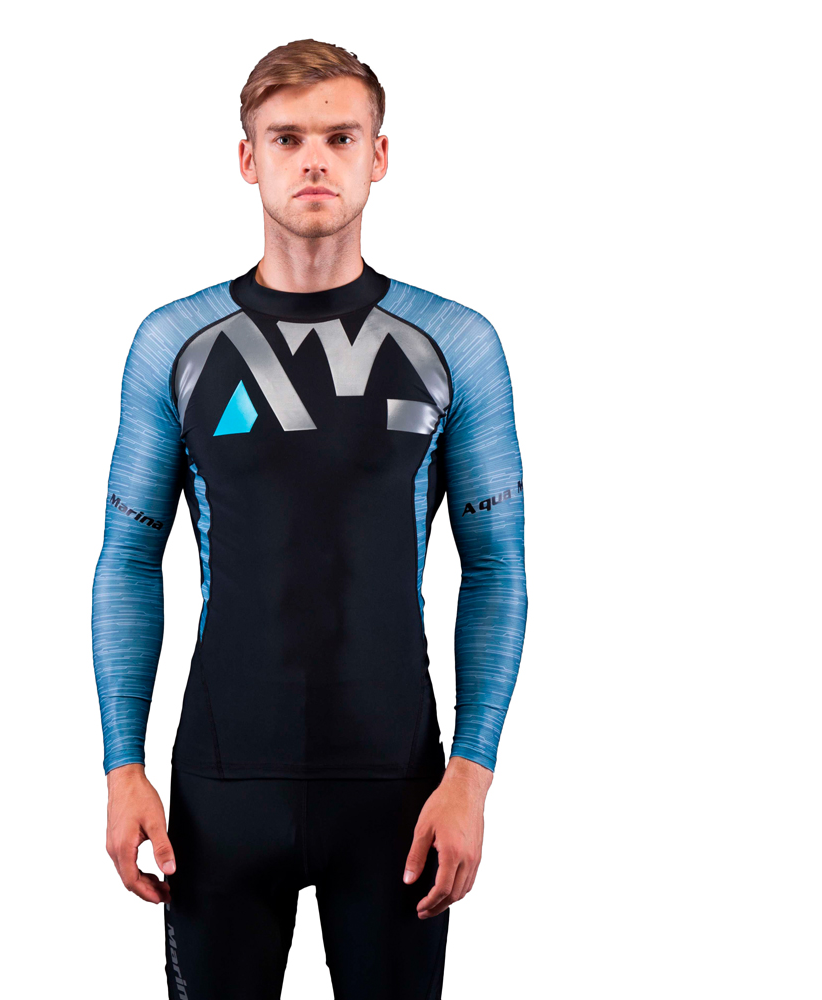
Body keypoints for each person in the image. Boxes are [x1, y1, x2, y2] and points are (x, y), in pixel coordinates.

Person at [91, 38, 528, 1000]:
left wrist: (471, 773)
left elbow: (497, 566)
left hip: (398, 794)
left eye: (340, 136)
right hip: (220, 790)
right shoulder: (176, 343)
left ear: (380, 155)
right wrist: (123, 767)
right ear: (249, 158)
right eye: (287, 138)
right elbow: (128, 556)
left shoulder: (456, 343)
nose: (315, 160)